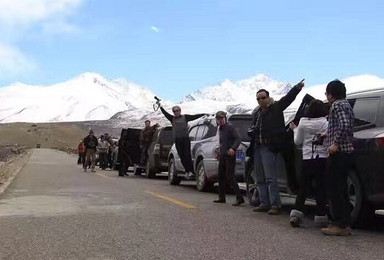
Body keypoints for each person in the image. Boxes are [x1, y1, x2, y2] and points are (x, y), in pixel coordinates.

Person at [249, 80, 304, 215]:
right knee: (259, 177)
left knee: (270, 177)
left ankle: (275, 204)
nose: (261, 100)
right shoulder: (257, 113)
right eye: (258, 99)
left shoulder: (276, 107)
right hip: (257, 146)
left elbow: (288, 98)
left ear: (268, 97)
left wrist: (297, 87)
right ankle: (264, 202)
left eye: (263, 98)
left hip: (269, 147)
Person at [321, 80, 354, 236]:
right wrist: (326, 135)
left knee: (334, 189)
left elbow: (344, 125)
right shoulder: (346, 104)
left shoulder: (337, 105)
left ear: (330, 94)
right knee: (342, 189)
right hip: (346, 153)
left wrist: (335, 143)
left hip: (338, 153)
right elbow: (341, 125)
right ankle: (345, 224)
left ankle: (338, 224)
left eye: (327, 93)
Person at [288, 100, 329, 227]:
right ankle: (321, 217)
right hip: (322, 158)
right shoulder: (326, 123)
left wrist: (295, 130)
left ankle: (296, 215)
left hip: (307, 158)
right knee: (320, 188)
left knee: (303, 188)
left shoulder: (303, 123)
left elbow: (297, 141)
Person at [160, 105, 207, 177]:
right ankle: (187, 171)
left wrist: (203, 114)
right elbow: (165, 113)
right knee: (182, 156)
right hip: (177, 140)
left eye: (177, 111)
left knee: (187, 155)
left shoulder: (185, 117)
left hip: (185, 139)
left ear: (180, 111)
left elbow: (194, 116)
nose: (176, 112)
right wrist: (160, 106)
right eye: (174, 111)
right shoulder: (172, 118)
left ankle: (190, 171)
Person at [213, 111, 245, 206]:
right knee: (221, 176)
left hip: (230, 155)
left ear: (225, 118)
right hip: (223, 154)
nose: (220, 120)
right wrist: (219, 150)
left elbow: (238, 138)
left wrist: (233, 148)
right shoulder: (221, 128)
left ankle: (239, 198)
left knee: (230, 176)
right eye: (218, 119)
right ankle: (221, 197)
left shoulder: (229, 127)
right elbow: (223, 142)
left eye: (222, 118)